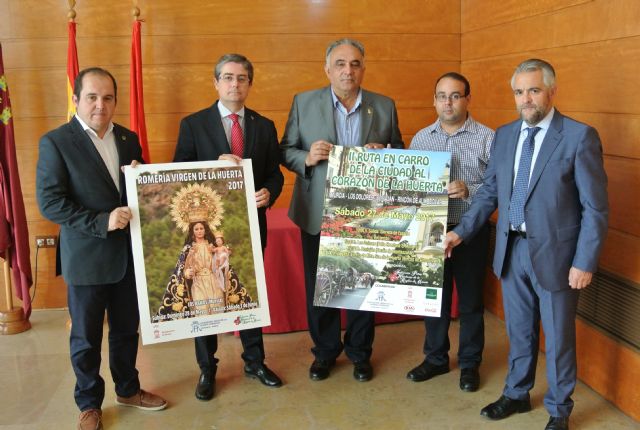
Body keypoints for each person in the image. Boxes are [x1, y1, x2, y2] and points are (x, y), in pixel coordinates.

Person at [443, 59, 608, 430]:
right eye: (519, 92)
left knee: (559, 338)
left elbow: (595, 208)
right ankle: (516, 394)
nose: (526, 99)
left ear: (551, 90)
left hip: (559, 257)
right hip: (511, 249)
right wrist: (460, 232)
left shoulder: (579, 136)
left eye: (533, 90)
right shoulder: (504, 135)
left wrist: (585, 261)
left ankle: (558, 411)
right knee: (519, 330)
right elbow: (488, 194)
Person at [36, 67, 167, 430]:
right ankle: (89, 403)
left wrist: (143, 179)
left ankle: (128, 389)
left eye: (108, 97)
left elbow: (140, 195)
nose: (100, 105)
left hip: (127, 258)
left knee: (127, 331)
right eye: (92, 97)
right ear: (76, 99)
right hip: (87, 258)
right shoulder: (56, 142)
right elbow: (50, 203)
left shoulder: (128, 139)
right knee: (85, 337)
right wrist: (101, 221)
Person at [280, 38, 404, 382]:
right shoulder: (304, 103)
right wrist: (306, 157)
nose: (347, 70)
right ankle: (324, 353)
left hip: (366, 213)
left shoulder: (384, 105)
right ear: (327, 68)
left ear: (363, 68)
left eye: (354, 64)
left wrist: (386, 152)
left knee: (362, 285)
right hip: (318, 210)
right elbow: (285, 149)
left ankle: (360, 354)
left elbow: (400, 149)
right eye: (340, 63)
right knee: (321, 288)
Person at [173, 53, 284, 401]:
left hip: (250, 227)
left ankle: (255, 361)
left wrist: (271, 191)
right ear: (216, 82)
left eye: (242, 78)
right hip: (206, 231)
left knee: (247, 295)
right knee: (207, 298)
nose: (235, 84)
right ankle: (207, 369)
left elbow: (274, 173)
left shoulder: (264, 126)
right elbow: (178, 174)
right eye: (228, 77)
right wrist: (211, 165)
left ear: (250, 83)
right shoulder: (193, 124)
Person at [408, 72, 494, 392]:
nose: (448, 102)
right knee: (433, 299)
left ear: (468, 99)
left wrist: (468, 188)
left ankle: (470, 363)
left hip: (470, 231)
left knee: (470, 301)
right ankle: (435, 359)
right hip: (430, 230)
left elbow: (498, 186)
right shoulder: (421, 139)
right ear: (434, 100)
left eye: (455, 95)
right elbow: (410, 189)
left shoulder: (487, 137)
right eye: (442, 95)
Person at [183, 221, 225, 315]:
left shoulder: (212, 246)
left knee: (217, 310)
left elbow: (222, 263)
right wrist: (188, 273)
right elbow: (183, 268)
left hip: (213, 281)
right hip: (198, 283)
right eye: (196, 229)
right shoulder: (190, 249)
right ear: (192, 231)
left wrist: (220, 261)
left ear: (205, 230)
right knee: (202, 311)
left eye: (201, 228)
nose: (199, 231)